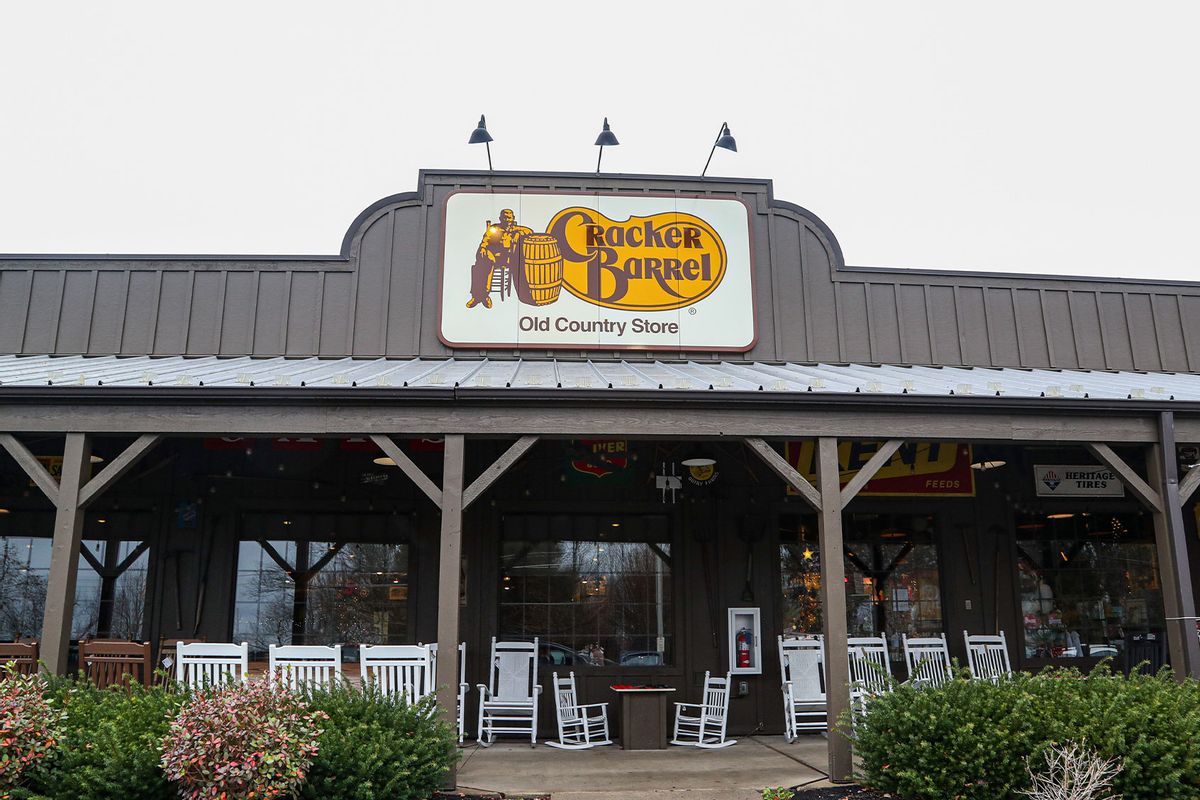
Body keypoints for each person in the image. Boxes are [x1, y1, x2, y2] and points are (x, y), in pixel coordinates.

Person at [467, 208, 532, 308]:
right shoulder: (494, 229)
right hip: (493, 257)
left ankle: (482, 296)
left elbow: (530, 232)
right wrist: (483, 248)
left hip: (508, 259)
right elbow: (485, 240)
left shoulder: (517, 230)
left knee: (482, 265)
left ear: (513, 218)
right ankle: (479, 296)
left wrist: (517, 232)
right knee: (480, 266)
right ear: (500, 218)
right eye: (504, 218)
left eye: (509, 218)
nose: (507, 220)